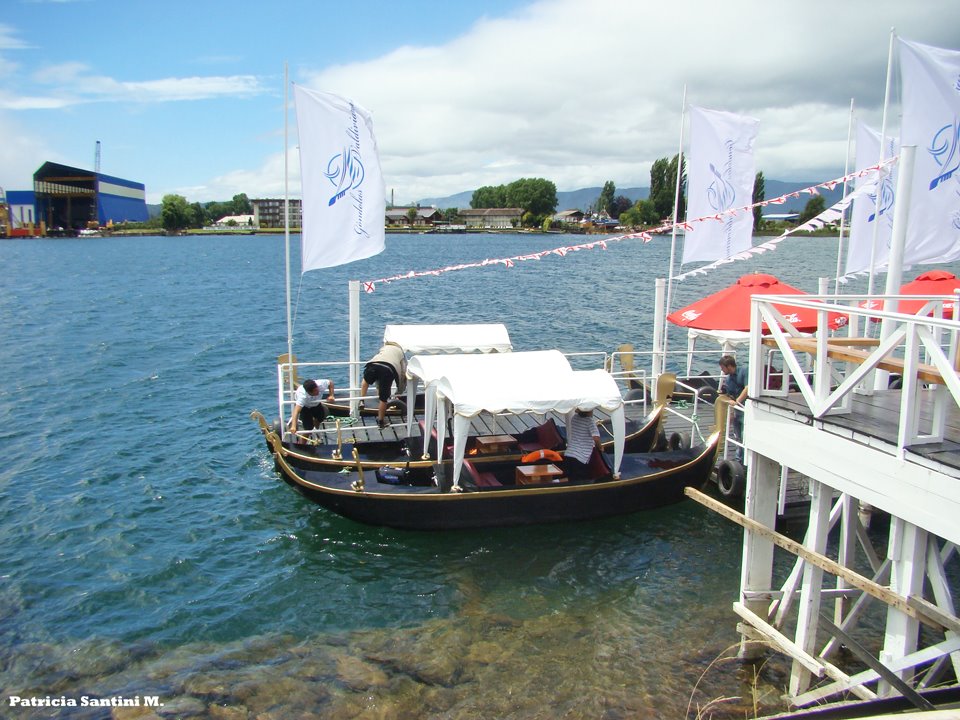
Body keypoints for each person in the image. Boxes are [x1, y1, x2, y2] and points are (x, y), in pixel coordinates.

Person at [360, 343, 407, 428]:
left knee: (366, 381)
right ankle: (381, 422)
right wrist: (399, 391)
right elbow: (403, 372)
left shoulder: (384, 347)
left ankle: (361, 401)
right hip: (388, 369)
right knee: (383, 399)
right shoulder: (401, 353)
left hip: (374, 363)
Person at [562, 408, 604, 481]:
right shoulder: (589, 421)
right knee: (580, 480)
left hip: (569, 454)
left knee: (570, 479)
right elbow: (596, 438)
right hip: (581, 457)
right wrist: (600, 448)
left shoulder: (574, 418)